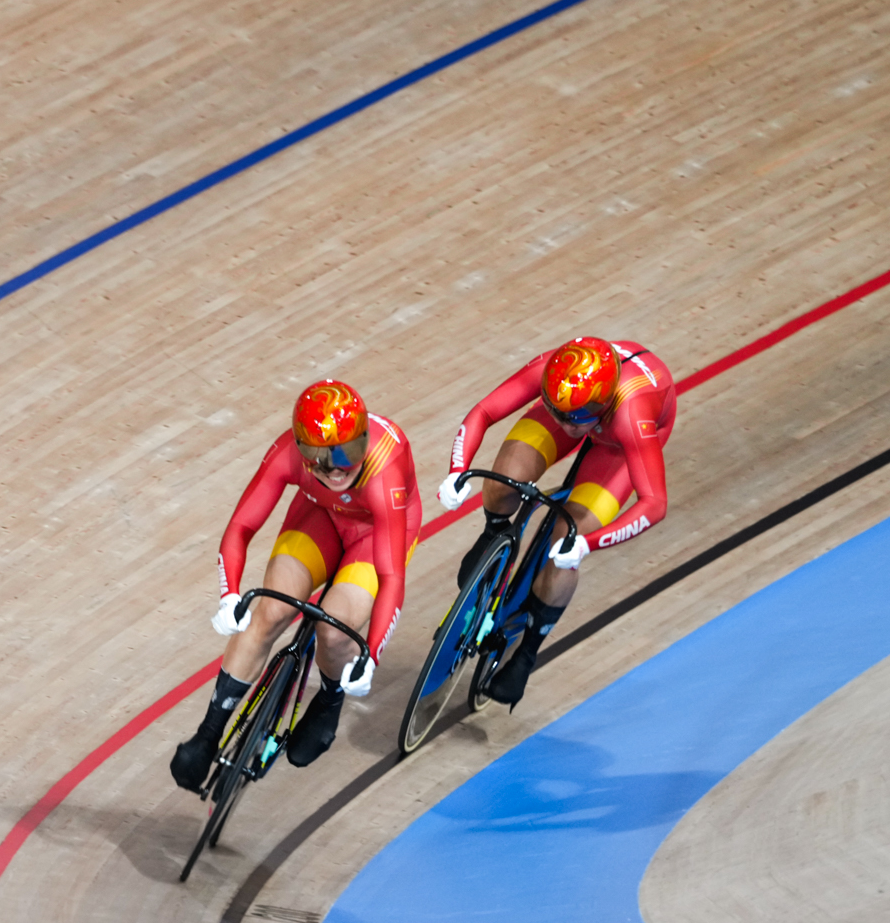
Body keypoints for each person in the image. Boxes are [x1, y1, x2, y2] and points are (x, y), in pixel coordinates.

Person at [171, 380, 420, 790]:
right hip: (319, 514)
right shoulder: (286, 451)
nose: (338, 468)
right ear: (302, 450)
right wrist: (230, 594)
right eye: (322, 458)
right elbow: (241, 526)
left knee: (336, 632)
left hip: (376, 532)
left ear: (363, 439)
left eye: (348, 452)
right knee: (270, 610)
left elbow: (391, 576)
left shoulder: (383, 469)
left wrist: (370, 654)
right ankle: (209, 731)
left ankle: (329, 697)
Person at [438, 336, 677, 707]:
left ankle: (527, 651)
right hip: (588, 408)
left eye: (576, 418)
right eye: (559, 412)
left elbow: (655, 503)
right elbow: (484, 411)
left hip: (619, 442)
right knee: (505, 480)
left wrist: (587, 544)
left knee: (567, 539)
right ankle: (493, 535)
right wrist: (458, 470)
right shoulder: (556, 377)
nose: (568, 426)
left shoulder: (631, 413)